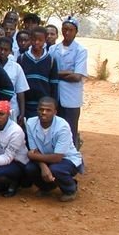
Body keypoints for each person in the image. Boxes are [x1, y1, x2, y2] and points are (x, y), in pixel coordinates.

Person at [24, 97, 83, 202]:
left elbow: (57, 157)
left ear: (55, 112)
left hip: (66, 159)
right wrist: (43, 167)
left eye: (48, 110)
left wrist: (33, 156)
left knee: (56, 169)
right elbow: (34, 150)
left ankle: (70, 189)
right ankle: (47, 187)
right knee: (29, 168)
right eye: (41, 109)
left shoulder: (62, 126)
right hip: (45, 158)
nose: (44, 113)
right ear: (37, 110)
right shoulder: (30, 123)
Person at [49, 17, 88, 149]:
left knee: (70, 128)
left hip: (71, 97)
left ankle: (72, 158)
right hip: (55, 95)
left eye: (70, 30)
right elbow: (48, 70)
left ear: (76, 32)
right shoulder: (53, 49)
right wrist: (67, 72)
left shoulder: (80, 51)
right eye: (65, 29)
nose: (67, 32)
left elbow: (77, 76)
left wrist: (56, 74)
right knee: (54, 128)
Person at [18, 26, 59, 118]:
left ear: (45, 40)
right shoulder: (22, 58)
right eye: (34, 39)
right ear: (30, 39)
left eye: (40, 40)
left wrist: (54, 104)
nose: (36, 42)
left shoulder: (51, 61)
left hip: (44, 106)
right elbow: (19, 84)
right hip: (26, 104)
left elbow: (54, 86)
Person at [0, 37, 29, 125]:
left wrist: (22, 112)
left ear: (10, 51)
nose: (2, 52)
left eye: (6, 50)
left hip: (12, 108)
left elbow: (20, 92)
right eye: (0, 49)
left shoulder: (16, 67)